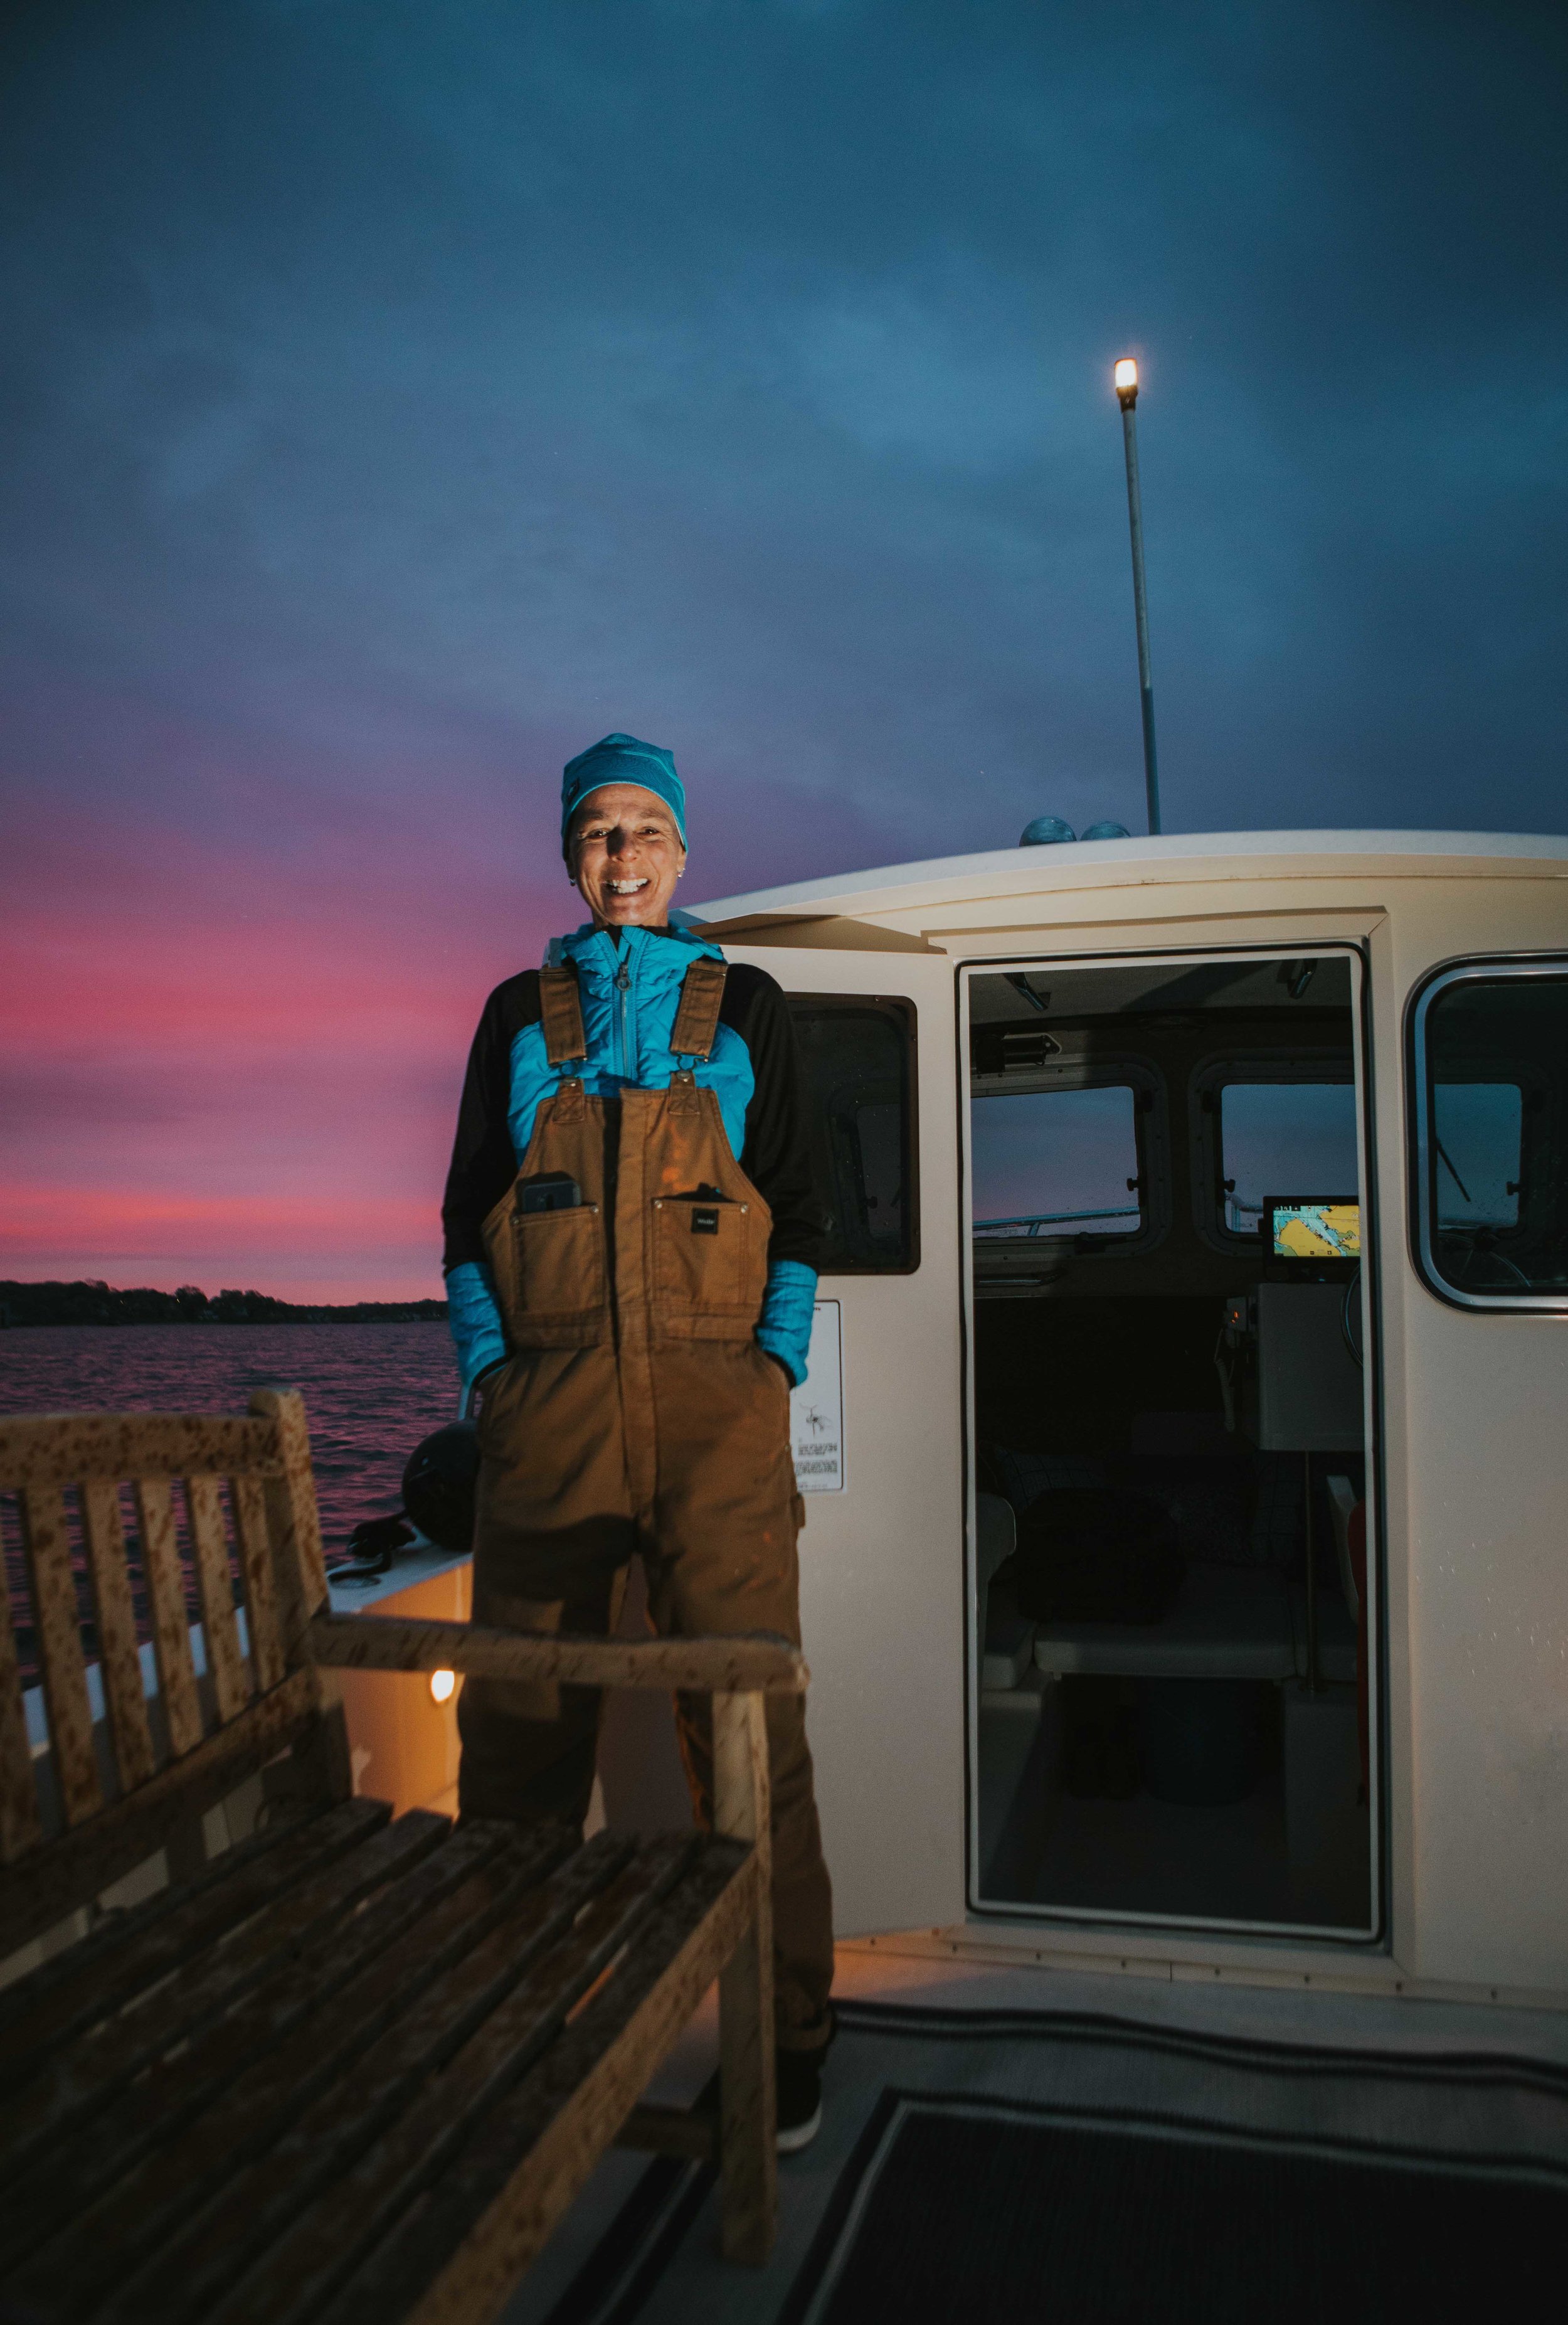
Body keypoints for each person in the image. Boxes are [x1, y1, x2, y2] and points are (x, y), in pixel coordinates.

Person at [440, 732, 835, 2149]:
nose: (620, 856)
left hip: (715, 1422)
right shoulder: (509, 1012)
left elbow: (798, 1203)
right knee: (515, 1731)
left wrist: (768, 1370)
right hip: (547, 1423)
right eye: (596, 833)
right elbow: (462, 1220)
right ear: (568, 853)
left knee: (749, 1725)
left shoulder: (750, 1005)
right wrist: (494, 1376)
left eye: (644, 832)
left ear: (682, 852)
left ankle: (785, 2047)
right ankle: (514, 2034)